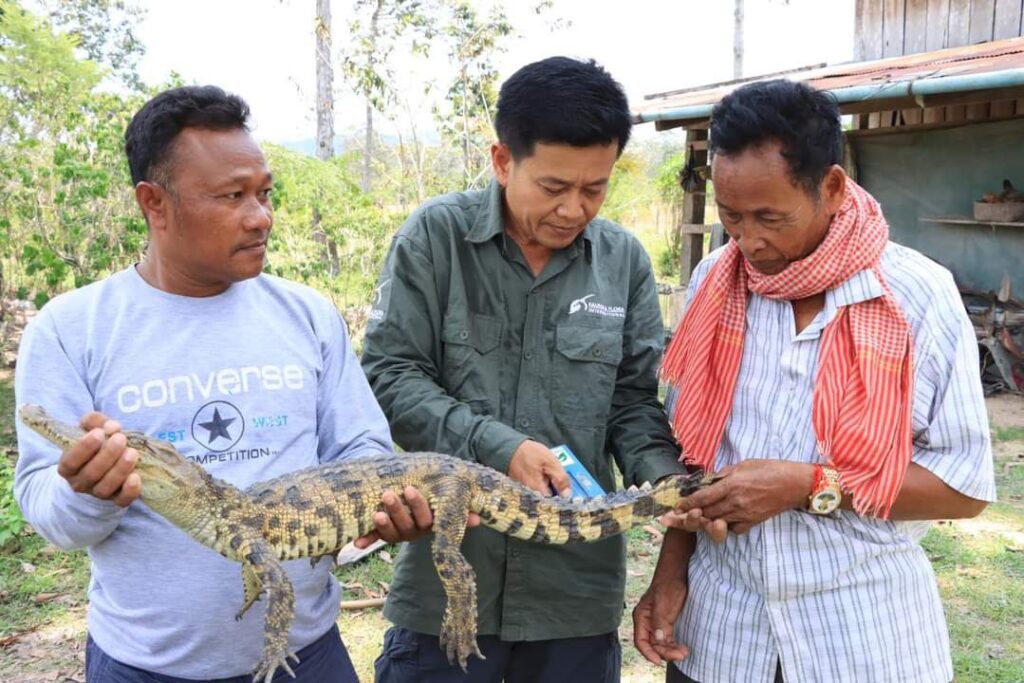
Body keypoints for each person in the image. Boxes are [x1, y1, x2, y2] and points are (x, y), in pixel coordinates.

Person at [13, 85, 436, 682]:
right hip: (144, 666)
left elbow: (362, 450)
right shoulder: (70, 328)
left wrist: (386, 509)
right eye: (231, 196)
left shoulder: (307, 314)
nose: (260, 216)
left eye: (264, 193)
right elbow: (48, 512)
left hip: (306, 655)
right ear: (154, 203)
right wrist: (89, 492)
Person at [632, 79, 995, 683]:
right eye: (730, 215)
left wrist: (809, 485)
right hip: (721, 638)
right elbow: (693, 463)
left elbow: (964, 486)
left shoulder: (914, 297)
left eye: (770, 217)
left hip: (859, 640)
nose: (747, 241)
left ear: (829, 187)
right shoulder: (713, 286)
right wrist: (670, 575)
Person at [360, 55, 684, 682]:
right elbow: (389, 376)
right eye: (554, 187)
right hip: (448, 591)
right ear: (503, 161)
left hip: (575, 595)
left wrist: (664, 479)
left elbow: (633, 404)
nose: (574, 209)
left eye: (595, 188)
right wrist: (500, 448)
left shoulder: (624, 262)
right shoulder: (435, 240)